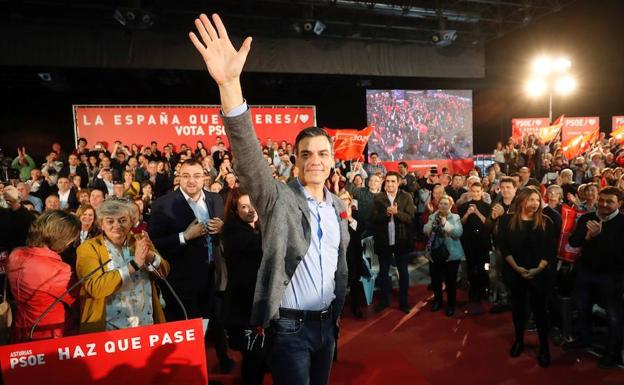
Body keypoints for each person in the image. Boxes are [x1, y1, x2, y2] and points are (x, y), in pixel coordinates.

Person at [189, 13, 349, 385]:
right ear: (295, 161)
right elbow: (247, 156)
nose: (314, 160)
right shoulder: (277, 200)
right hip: (288, 329)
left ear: (332, 160)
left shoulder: (337, 206)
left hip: (327, 325)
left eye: (322, 154)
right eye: (306, 153)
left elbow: (340, 267)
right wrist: (230, 85)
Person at [147, 159, 232, 373]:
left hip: (214, 275)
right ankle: (193, 371)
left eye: (196, 176)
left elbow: (227, 231)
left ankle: (224, 361)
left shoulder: (216, 199)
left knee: (217, 321)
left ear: (205, 177)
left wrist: (223, 227)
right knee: (191, 329)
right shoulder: (163, 204)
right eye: (186, 176)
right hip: (182, 280)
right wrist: (184, 236)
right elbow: (154, 243)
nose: (191, 181)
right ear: (179, 177)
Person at [76, 198, 169, 333]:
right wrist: (134, 265)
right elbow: (94, 288)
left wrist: (150, 256)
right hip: (108, 330)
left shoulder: (139, 240)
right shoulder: (88, 248)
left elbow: (164, 272)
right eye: (110, 221)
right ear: (101, 224)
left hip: (146, 325)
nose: (117, 225)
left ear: (131, 222)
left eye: (123, 220)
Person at [566, 186, 624, 368]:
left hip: (611, 277)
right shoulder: (587, 218)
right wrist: (588, 237)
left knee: (614, 316)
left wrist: (601, 236)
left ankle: (613, 353)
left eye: (610, 202)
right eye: (602, 200)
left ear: (619, 204)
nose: (604, 204)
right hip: (586, 273)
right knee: (582, 309)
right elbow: (573, 241)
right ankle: (584, 339)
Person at [498, 186, 556, 368]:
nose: (535, 203)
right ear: (522, 200)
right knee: (519, 309)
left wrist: (537, 269)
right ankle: (519, 340)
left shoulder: (546, 221)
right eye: (531, 199)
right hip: (515, 273)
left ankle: (544, 348)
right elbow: (503, 247)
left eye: (537, 200)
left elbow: (549, 250)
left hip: (540, 274)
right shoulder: (507, 220)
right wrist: (517, 268)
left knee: (540, 311)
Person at [7, 210, 81, 342]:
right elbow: (78, 300)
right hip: (50, 334)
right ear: (62, 238)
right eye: (71, 238)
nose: (72, 242)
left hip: (20, 329)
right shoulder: (59, 270)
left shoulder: (15, 254)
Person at [222, 189, 266, 385]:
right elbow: (262, 244)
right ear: (235, 210)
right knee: (253, 356)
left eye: (252, 204)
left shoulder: (251, 228)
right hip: (244, 303)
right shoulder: (233, 230)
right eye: (244, 206)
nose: (250, 210)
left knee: (256, 356)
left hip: (252, 301)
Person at [372, 171, 416, 313]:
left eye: (393, 181)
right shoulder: (378, 198)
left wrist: (398, 213)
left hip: (402, 241)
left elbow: (410, 219)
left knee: (403, 272)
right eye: (388, 181)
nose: (390, 184)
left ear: (398, 183)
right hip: (384, 241)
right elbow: (373, 220)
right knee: (383, 272)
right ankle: (384, 300)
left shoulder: (406, 197)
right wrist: (386, 214)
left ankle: (404, 302)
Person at [423, 195, 463, 317]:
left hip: (451, 255)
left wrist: (445, 223)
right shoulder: (432, 216)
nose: (443, 206)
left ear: (451, 206)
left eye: (446, 204)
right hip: (435, 253)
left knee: (451, 281)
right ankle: (437, 301)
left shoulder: (455, 217)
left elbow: (457, 233)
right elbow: (425, 231)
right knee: (436, 280)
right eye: (441, 204)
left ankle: (451, 304)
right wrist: (432, 223)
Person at [457, 182, 491, 309]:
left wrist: (476, 212)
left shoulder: (488, 206)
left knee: (485, 266)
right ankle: (474, 290)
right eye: (473, 191)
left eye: (478, 191)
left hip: (483, 242)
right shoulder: (463, 206)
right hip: (469, 242)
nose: (476, 193)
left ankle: (485, 288)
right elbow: (460, 223)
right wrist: (467, 214)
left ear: (482, 192)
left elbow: (488, 224)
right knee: (471, 266)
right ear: (470, 192)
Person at [338, 189, 367, 318]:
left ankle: (356, 307)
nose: (344, 201)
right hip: (340, 254)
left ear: (350, 201)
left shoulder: (356, 213)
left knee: (355, 281)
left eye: (346, 199)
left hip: (354, 253)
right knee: (339, 283)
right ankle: (338, 309)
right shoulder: (334, 213)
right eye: (341, 199)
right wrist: (343, 217)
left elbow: (360, 230)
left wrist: (349, 218)